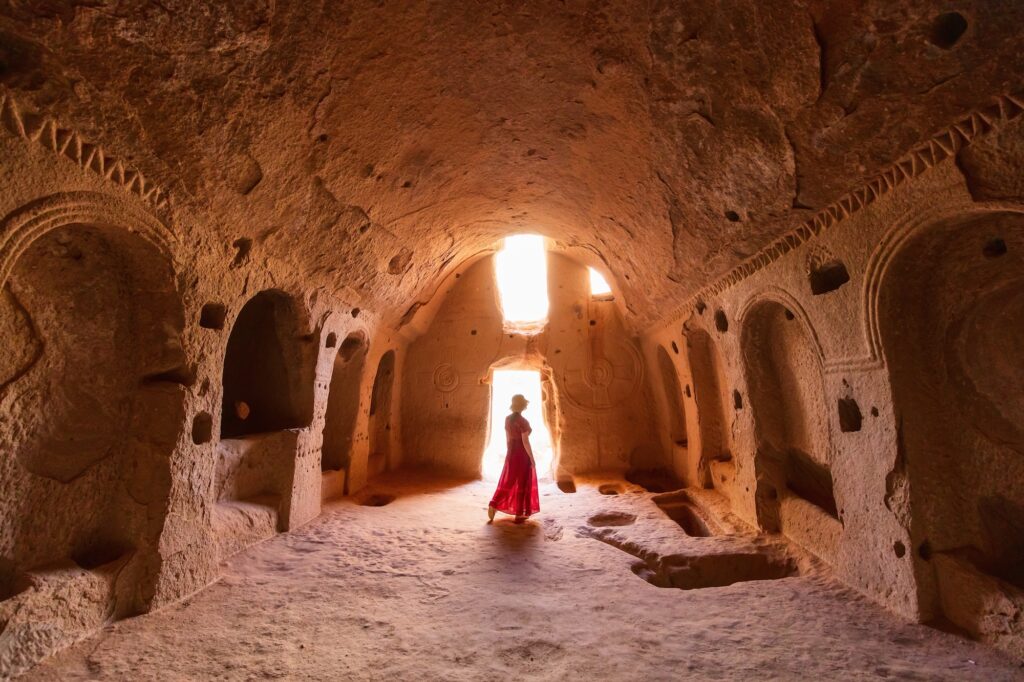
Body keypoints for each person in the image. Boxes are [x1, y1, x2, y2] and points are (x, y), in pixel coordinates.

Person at [487, 394, 540, 524]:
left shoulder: (507, 419)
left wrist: (510, 452)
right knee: (522, 482)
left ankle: (494, 504)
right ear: (522, 405)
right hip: (522, 454)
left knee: (509, 481)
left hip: (512, 451)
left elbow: (508, 438)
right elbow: (525, 442)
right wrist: (532, 459)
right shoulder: (523, 421)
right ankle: (519, 514)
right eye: (525, 403)